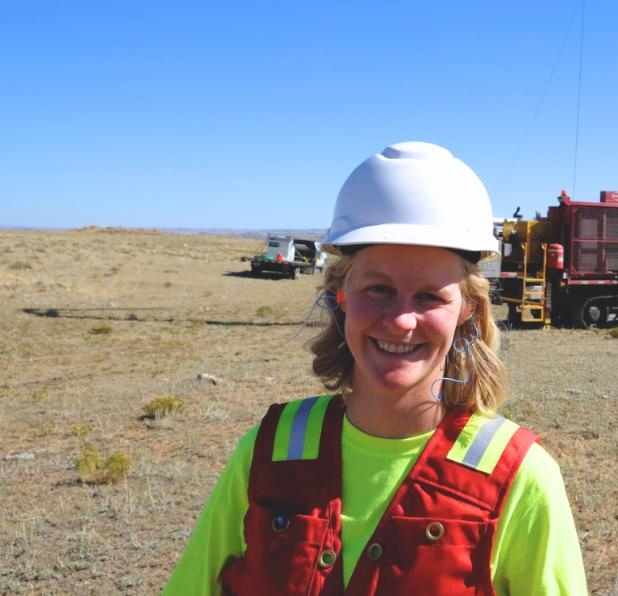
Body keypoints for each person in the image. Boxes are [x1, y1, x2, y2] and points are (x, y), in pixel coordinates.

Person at [165, 142, 588, 594]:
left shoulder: (520, 478)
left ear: (467, 309)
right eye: (378, 289)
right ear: (340, 294)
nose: (401, 321)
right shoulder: (268, 453)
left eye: (430, 296)